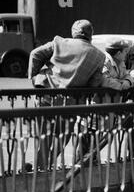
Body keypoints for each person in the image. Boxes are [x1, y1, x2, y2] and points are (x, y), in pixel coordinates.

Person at [28, 19, 105, 171]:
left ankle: (40, 169)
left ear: (73, 32)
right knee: (63, 136)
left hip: (46, 93)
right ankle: (47, 165)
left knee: (44, 135)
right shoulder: (98, 56)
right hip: (70, 101)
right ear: (91, 35)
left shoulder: (59, 42)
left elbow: (35, 54)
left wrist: (33, 76)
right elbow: (95, 83)